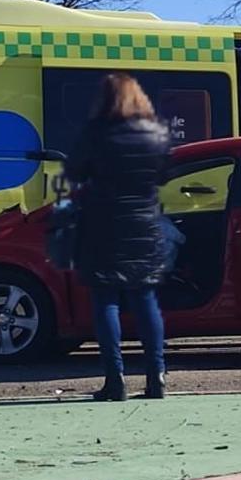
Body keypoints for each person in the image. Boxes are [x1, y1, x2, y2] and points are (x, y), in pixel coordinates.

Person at [65, 73, 172, 402]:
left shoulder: (96, 133)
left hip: (103, 225)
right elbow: (165, 174)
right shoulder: (157, 133)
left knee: (106, 302)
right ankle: (157, 377)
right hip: (145, 226)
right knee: (145, 300)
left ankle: (116, 380)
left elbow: (73, 173)